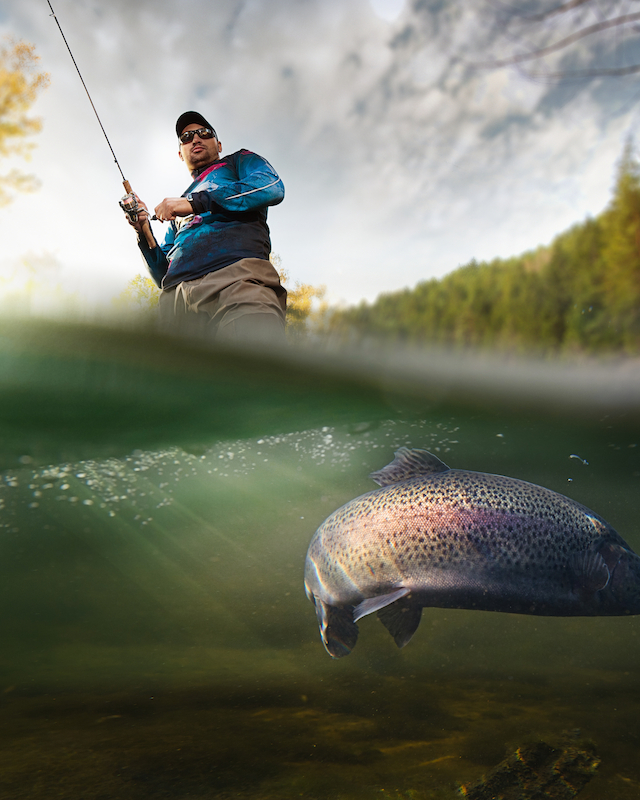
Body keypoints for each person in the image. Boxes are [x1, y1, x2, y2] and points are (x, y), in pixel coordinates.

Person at [127, 111, 287, 343]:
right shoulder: (179, 210)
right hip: (175, 305)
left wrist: (195, 203)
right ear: (180, 154)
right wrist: (142, 229)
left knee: (255, 370)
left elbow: (271, 186)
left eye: (204, 133)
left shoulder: (238, 161)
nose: (195, 139)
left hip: (237, 281)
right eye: (186, 137)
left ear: (218, 144)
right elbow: (163, 274)